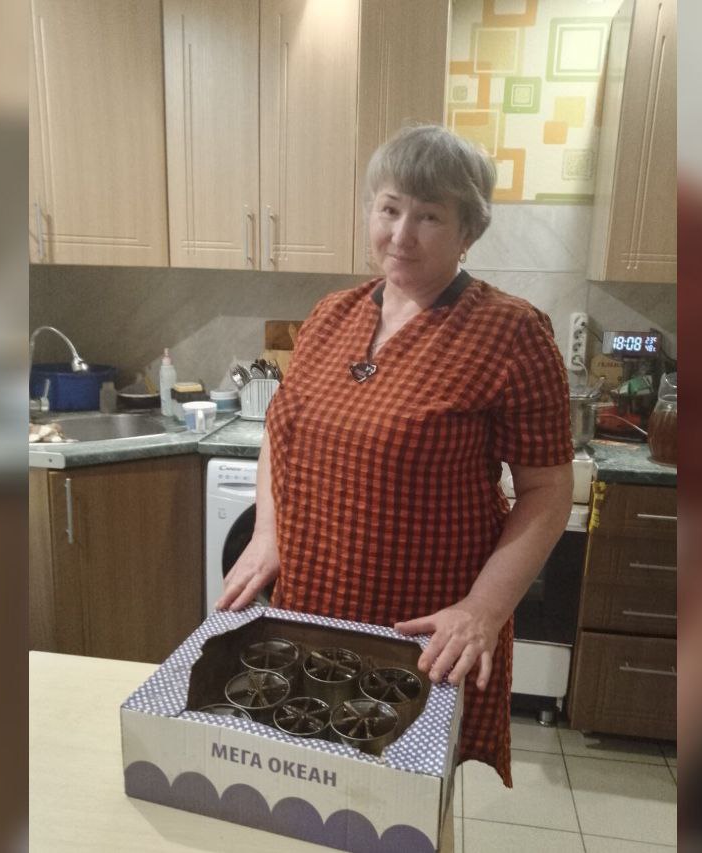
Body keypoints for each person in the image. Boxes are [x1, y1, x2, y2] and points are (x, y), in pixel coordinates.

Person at [216, 125, 574, 787]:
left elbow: (549, 491)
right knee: (305, 789)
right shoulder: (332, 315)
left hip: (420, 631)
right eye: (389, 208)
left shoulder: (510, 332)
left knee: (397, 805)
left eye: (429, 215)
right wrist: (269, 534)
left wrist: (483, 610)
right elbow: (281, 433)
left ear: (469, 230)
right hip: (310, 610)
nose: (401, 234)